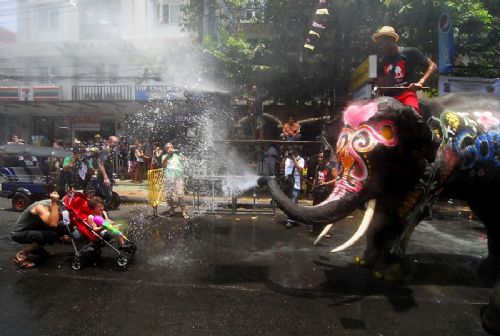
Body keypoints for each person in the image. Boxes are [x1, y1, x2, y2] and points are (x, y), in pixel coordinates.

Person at [372, 26, 437, 113]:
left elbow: (433, 66)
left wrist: (421, 82)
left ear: (390, 40)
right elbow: (379, 84)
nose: (379, 47)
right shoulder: (382, 62)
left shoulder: (410, 52)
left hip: (406, 95)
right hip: (387, 99)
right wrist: (377, 88)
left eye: (381, 43)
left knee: (411, 114)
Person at [11, 191, 69, 269]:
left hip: (32, 228)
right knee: (50, 235)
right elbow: (53, 223)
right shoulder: (41, 207)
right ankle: (22, 254)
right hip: (18, 233)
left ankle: (39, 250)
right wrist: (54, 203)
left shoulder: (56, 204)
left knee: (57, 229)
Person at [162, 142, 189, 219]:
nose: (169, 148)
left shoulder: (178, 155)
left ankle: (184, 210)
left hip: (178, 177)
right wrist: (168, 155)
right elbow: (163, 163)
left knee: (180, 194)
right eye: (167, 147)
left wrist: (180, 154)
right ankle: (172, 208)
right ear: (165, 149)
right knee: (168, 196)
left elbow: (185, 160)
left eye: (171, 147)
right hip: (168, 178)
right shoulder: (164, 156)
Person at [283, 148, 304, 228]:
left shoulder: (301, 159)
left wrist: (294, 159)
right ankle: (291, 219)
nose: (292, 153)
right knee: (288, 202)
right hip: (288, 183)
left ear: (297, 152)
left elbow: (299, 169)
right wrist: (285, 157)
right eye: (291, 152)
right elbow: (281, 167)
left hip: (296, 184)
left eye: (294, 151)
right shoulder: (287, 159)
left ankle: (290, 221)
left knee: (293, 202)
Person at [97, 135, 119, 206]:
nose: (116, 144)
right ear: (110, 142)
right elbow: (101, 164)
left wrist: (112, 177)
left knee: (109, 194)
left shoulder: (111, 151)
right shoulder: (105, 150)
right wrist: (105, 178)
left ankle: (103, 210)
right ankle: (102, 212)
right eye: (115, 143)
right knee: (107, 195)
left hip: (109, 176)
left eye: (117, 143)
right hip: (103, 177)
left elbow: (110, 165)